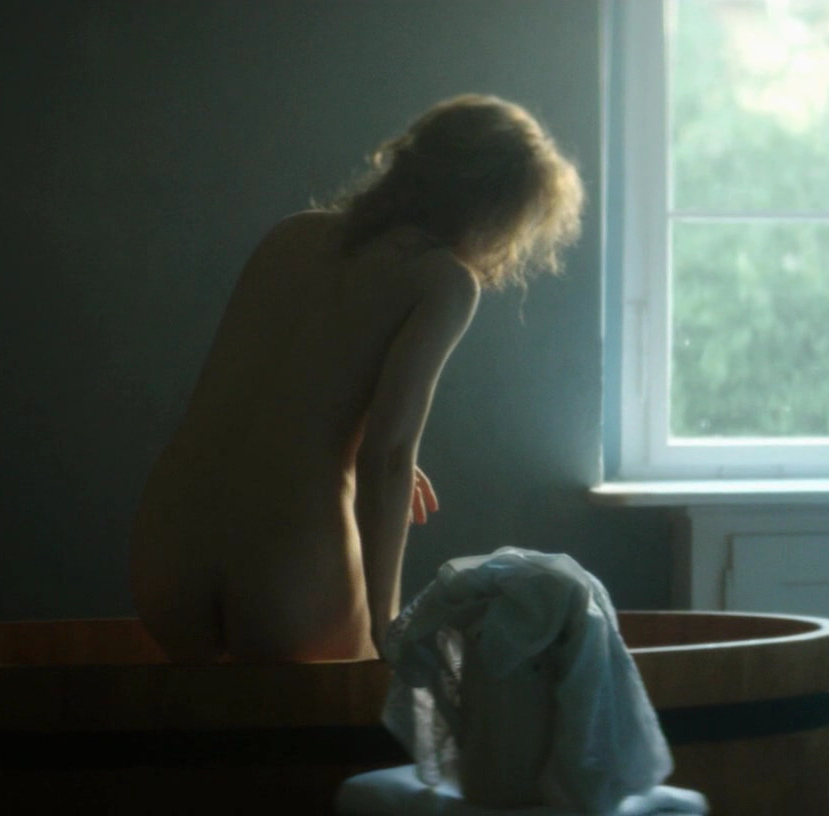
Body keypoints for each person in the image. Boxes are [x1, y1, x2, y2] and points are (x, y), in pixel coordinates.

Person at [129, 94, 583, 663]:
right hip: (284, 568)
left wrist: (348, 437)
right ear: (496, 210)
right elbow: (386, 458)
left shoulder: (291, 234)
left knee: (208, 719)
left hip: (167, 549)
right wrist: (386, 623)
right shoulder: (442, 279)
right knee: (358, 705)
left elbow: (264, 394)